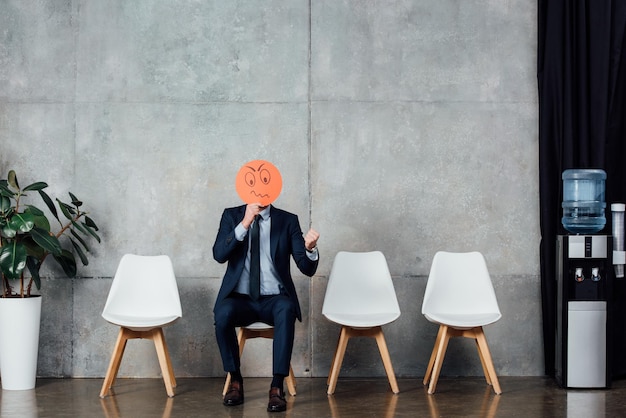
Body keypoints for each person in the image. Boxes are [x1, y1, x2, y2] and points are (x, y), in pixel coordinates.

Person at [213, 200, 319, 412]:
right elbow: (219, 254)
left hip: (274, 299)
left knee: (286, 308)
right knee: (222, 313)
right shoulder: (232, 216)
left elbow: (307, 269)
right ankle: (235, 380)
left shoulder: (288, 220)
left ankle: (277, 386)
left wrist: (309, 249)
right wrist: (244, 223)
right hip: (240, 298)